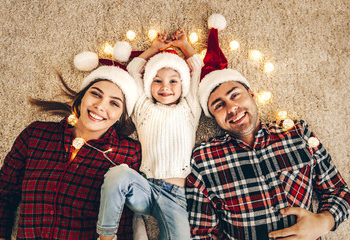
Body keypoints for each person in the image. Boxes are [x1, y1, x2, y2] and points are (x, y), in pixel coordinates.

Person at [185, 14, 350, 240]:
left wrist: (324, 221)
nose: (232, 107)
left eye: (236, 95)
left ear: (252, 95)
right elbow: (201, 233)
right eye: (219, 105)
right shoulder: (203, 158)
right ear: (213, 116)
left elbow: (338, 191)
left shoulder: (297, 132)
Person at [0, 44, 141, 240]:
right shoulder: (36, 135)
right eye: (95, 94)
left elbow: (130, 216)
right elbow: (1, 195)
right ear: (82, 97)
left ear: (122, 116)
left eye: (114, 103)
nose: (100, 106)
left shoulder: (129, 153)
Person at [96, 28, 203, 240]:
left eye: (173, 80)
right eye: (157, 80)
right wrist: (154, 49)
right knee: (117, 174)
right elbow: (134, 69)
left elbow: (197, 68)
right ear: (148, 84)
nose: (166, 87)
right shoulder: (143, 108)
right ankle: (107, 235)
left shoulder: (190, 108)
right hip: (144, 187)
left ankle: (137, 222)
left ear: (184, 84)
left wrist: (185, 46)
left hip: (176, 195)